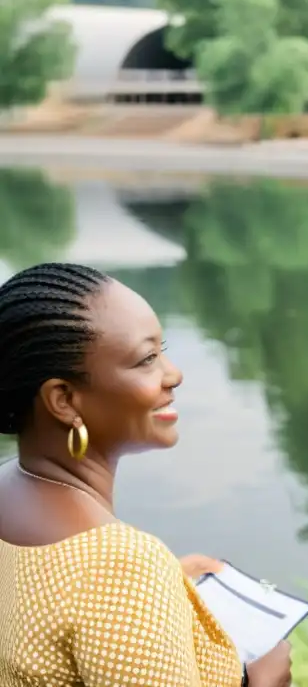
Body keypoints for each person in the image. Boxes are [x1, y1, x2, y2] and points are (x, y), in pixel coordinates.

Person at [0, 262, 292, 687]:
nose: (174, 374)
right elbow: (97, 579)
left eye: (163, 350)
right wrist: (261, 680)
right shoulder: (121, 566)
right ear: (63, 400)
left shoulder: (9, 485)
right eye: (146, 360)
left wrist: (168, 586)